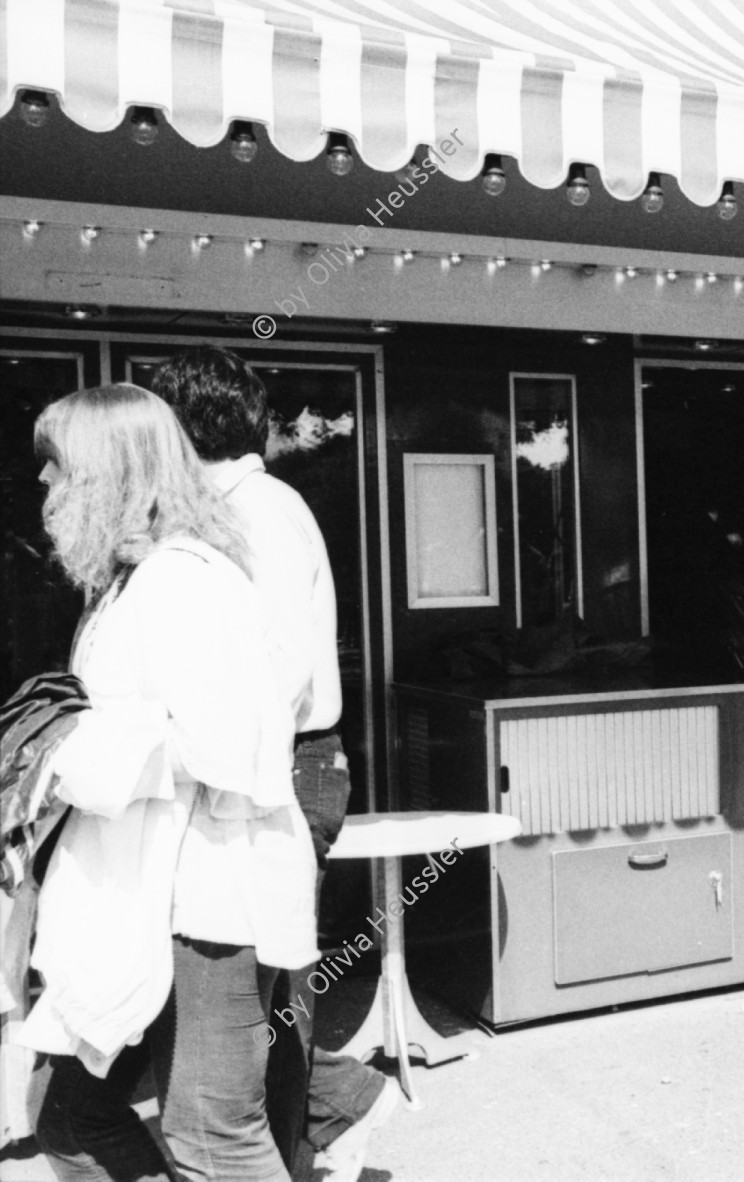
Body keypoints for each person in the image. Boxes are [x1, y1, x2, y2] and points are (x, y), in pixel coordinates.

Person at [24, 384, 315, 1180]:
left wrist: (66, 753)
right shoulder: (130, 582)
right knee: (68, 1114)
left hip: (208, 902)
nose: (42, 488)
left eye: (55, 469)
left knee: (213, 1134)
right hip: (137, 894)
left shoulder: (183, 581)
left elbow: (227, 748)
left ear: (109, 475)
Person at [152, 347, 400, 1181]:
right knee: (260, 982)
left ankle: (317, 1124)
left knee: (258, 982)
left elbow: (281, 669)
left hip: (284, 765)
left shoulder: (256, 513)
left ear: (183, 431)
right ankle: (325, 1120)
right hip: (282, 762)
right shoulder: (243, 507)